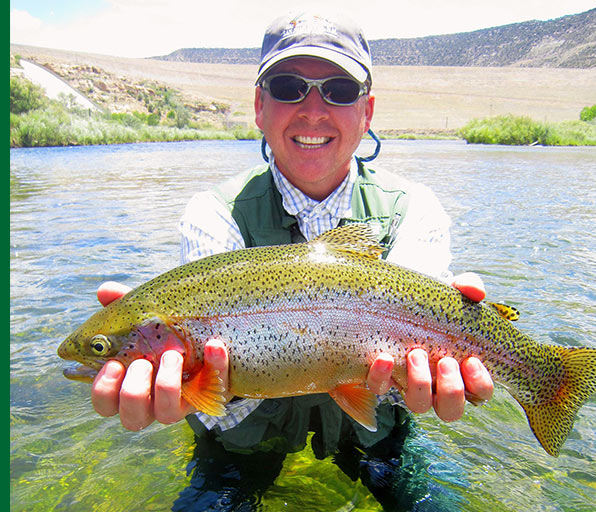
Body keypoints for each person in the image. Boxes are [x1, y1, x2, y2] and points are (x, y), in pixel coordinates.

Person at [91, 11, 494, 511]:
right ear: (259, 107)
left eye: (339, 91)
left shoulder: (415, 210)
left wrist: (438, 374)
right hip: (244, 446)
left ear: (366, 112)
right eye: (288, 87)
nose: (312, 110)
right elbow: (213, 389)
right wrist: (196, 389)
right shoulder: (213, 214)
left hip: (374, 439)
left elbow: (424, 354)